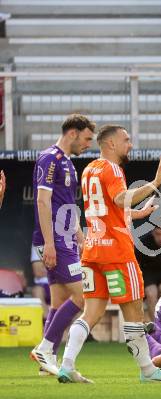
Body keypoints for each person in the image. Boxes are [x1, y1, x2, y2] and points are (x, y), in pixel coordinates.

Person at [57, 125, 161, 383]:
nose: (130, 144)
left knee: (90, 313)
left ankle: (67, 365)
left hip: (93, 251)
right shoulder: (113, 169)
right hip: (117, 253)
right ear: (111, 144)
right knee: (134, 313)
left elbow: (107, 209)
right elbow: (120, 199)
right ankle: (148, 370)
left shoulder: (90, 169)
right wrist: (154, 184)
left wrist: (139, 214)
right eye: (126, 140)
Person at [30, 114, 95, 376]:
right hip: (54, 239)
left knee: (59, 300)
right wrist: (49, 243)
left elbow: (68, 203)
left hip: (66, 238)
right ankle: (44, 349)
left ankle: (47, 361)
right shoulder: (50, 158)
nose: (89, 144)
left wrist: (79, 234)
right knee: (83, 296)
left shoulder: (68, 162)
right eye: (87, 138)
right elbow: (42, 202)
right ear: (72, 133)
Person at [31, 245, 50, 319]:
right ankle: (49, 322)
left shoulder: (68, 237)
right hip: (44, 286)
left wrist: (44, 264)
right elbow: (38, 271)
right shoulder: (38, 239)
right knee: (37, 291)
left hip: (63, 284)